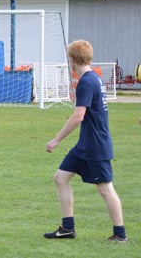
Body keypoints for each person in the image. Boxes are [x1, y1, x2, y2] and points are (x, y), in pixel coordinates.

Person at [44, 40, 127, 242]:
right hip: (85, 144)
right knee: (60, 178)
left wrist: (56, 140)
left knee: (105, 188)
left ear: (73, 59)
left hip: (96, 145)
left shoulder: (88, 82)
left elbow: (78, 116)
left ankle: (120, 235)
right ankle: (67, 228)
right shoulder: (92, 78)